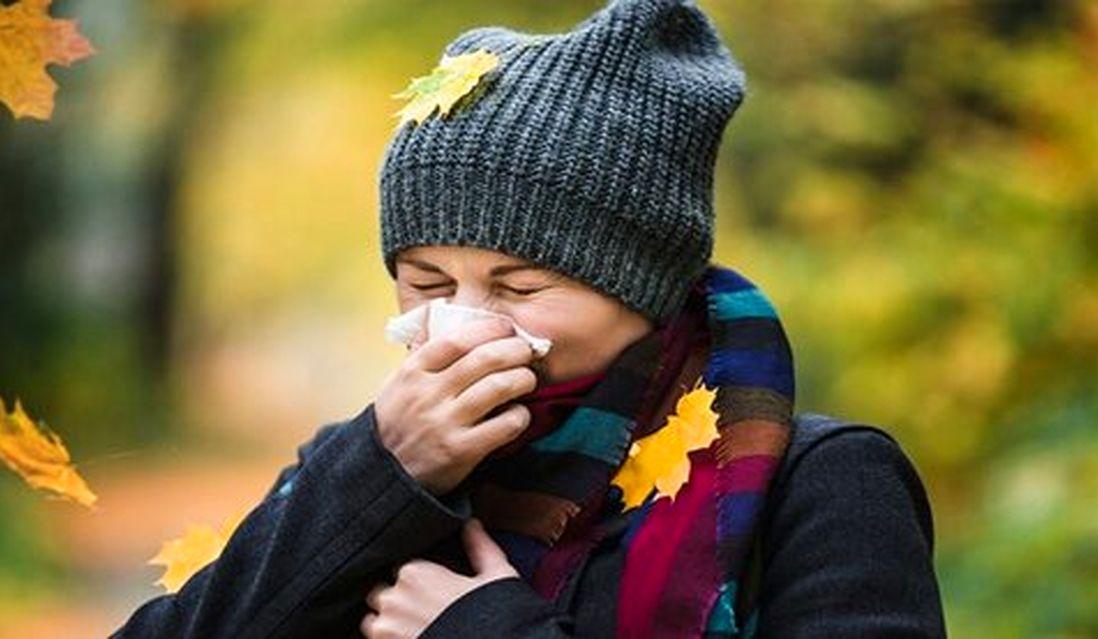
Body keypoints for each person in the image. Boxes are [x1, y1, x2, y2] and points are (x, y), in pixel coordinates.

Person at [112, 0, 947, 637]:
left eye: (516, 287)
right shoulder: (364, 465)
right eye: (427, 282)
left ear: (642, 286)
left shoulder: (825, 484)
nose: (464, 324)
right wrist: (380, 476)